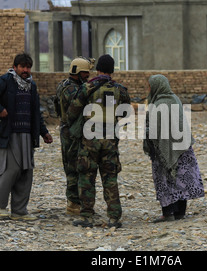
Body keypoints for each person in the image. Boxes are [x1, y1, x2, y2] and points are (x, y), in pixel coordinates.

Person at [0, 52, 53, 220]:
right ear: (15, 67)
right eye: (22, 67)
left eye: (28, 67)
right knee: (10, 169)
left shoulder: (31, 86)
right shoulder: (6, 81)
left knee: (26, 171)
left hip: (27, 135)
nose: (25, 70)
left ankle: (19, 211)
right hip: (9, 135)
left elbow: (35, 113)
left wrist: (44, 132)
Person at [67, 54, 130, 228]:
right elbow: (125, 114)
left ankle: (87, 216)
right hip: (110, 140)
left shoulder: (88, 87)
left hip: (90, 140)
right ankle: (114, 217)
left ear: (98, 69)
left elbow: (72, 111)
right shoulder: (120, 90)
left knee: (87, 177)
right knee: (110, 177)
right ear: (112, 70)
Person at [143, 74, 204, 223]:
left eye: (150, 86)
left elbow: (152, 131)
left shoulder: (156, 105)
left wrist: (149, 143)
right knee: (181, 179)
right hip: (182, 149)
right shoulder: (175, 99)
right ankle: (180, 213)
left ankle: (168, 213)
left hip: (162, 151)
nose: (148, 89)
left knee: (165, 180)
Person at [54, 57, 95, 215]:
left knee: (79, 166)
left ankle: (78, 202)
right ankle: (72, 203)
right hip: (71, 132)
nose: (88, 76)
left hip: (71, 130)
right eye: (86, 73)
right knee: (72, 166)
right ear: (78, 72)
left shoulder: (67, 85)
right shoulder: (71, 89)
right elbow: (78, 107)